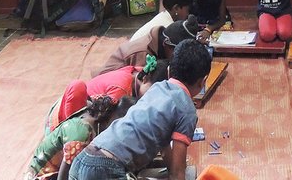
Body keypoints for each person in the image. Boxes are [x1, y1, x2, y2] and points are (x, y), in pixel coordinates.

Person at [69, 39, 212, 180]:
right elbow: (178, 172)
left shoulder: (157, 88)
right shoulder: (186, 110)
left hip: (83, 159)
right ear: (202, 81)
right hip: (107, 168)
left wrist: (171, 171)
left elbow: (164, 148)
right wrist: (177, 174)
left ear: (169, 72)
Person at [25, 95, 135, 180]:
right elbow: (64, 175)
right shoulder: (81, 134)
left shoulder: (90, 115)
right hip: (43, 176)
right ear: (117, 119)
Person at [47, 56, 168, 132]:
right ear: (145, 78)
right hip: (63, 119)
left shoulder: (136, 73)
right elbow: (111, 128)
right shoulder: (122, 90)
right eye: (153, 92)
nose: (153, 99)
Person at [94, 15, 198, 76]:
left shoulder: (160, 43)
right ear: (166, 43)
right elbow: (142, 87)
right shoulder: (143, 55)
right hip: (107, 91)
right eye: (177, 52)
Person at [129, 0, 194, 42]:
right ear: (176, 8)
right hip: (136, 54)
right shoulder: (168, 28)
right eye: (187, 10)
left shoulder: (163, 15)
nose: (188, 14)